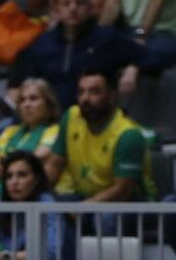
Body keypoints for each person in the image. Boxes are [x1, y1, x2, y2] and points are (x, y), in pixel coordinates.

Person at [10, 0, 143, 109]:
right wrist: (15, 88)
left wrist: (134, 67)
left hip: (94, 116)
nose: (73, 8)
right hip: (52, 118)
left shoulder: (107, 38)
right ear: (57, 9)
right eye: (66, 3)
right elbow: (22, 75)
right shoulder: (43, 43)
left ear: (90, 7)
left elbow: (149, 56)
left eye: (80, 3)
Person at [50, 68, 157, 203]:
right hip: (86, 196)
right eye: (81, 92)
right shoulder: (71, 117)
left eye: (94, 92)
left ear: (112, 95)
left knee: (105, 214)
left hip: (131, 203)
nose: (85, 98)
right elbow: (54, 165)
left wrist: (81, 209)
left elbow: (122, 190)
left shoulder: (128, 134)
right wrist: (36, 198)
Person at [0, 76, 63, 194]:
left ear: (48, 104)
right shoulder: (10, 131)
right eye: (22, 100)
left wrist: (3, 166)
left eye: (33, 99)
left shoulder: (55, 131)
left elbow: (36, 157)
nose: (27, 104)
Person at [0, 149, 69, 260]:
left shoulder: (47, 203)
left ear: (36, 179)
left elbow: (48, 254)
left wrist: (4, 257)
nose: (14, 182)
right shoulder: (2, 205)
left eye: (22, 175)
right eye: (9, 176)